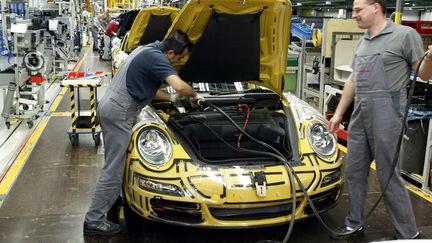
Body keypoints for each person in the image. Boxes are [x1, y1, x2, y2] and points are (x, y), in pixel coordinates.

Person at [328, 0, 432, 240]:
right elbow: (353, 80)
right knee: (354, 170)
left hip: (388, 113)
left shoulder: (405, 35)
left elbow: (424, 74)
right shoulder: (363, 41)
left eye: (357, 9)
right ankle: (354, 222)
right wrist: (339, 114)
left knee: (387, 174)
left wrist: (430, 58)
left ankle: (407, 234)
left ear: (375, 7)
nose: (353, 15)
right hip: (360, 113)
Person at [83, 30, 203, 236]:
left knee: (115, 163)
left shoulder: (145, 50)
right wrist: (195, 95)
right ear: (172, 53)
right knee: (113, 168)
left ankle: (113, 197)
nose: (178, 62)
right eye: (180, 58)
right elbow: (180, 86)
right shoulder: (157, 58)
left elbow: (148, 89)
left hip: (112, 107)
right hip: (119, 112)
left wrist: (173, 100)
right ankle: (94, 220)